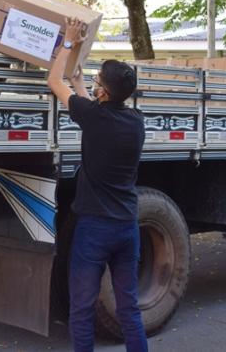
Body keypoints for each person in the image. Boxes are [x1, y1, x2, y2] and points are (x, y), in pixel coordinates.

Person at [46, 19, 148, 352]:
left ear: (103, 92)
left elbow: (52, 80)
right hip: (126, 227)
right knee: (128, 307)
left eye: (97, 82)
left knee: (82, 309)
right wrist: (80, 83)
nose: (93, 85)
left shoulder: (94, 116)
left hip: (95, 230)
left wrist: (67, 42)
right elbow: (94, 107)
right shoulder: (135, 122)